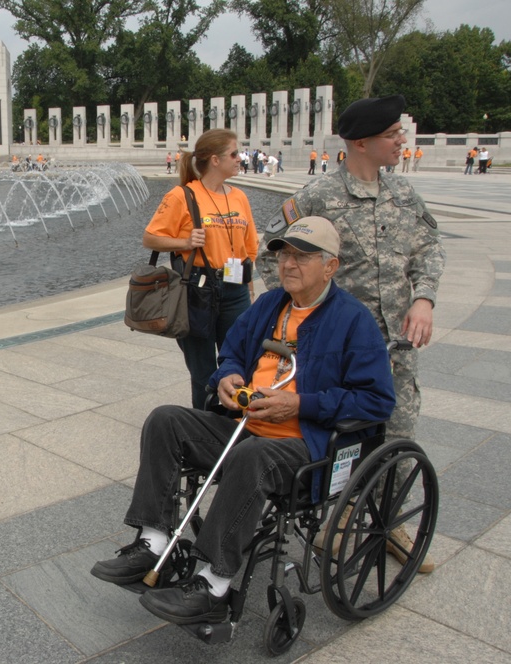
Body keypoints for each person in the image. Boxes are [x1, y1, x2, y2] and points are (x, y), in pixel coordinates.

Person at [91, 217, 396, 624]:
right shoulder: (270, 305)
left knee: (254, 456)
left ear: (331, 266)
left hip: (305, 445)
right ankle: (154, 541)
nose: (289, 264)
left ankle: (213, 584)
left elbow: (377, 401)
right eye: (285, 253)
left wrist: (300, 405)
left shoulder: (354, 322)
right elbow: (231, 353)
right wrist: (227, 378)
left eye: (302, 256)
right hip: (245, 425)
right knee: (165, 420)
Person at [257, 95, 444, 572]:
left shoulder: (403, 194)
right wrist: (302, 318)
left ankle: (390, 525)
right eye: (392, 135)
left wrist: (423, 297)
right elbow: (269, 255)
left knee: (398, 434)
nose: (402, 141)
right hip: (338, 351)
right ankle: (337, 522)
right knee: (342, 437)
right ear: (361, 142)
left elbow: (429, 248)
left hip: (396, 350)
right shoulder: (318, 196)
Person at [142, 129, 258, 410]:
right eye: (234, 153)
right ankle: (203, 428)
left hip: (235, 287)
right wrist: (184, 241)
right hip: (197, 289)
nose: (239, 158)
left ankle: (233, 424)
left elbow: (248, 245)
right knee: (203, 370)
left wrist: (249, 285)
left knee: (240, 361)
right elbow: (150, 238)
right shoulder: (183, 195)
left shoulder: (239, 197)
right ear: (215, 160)